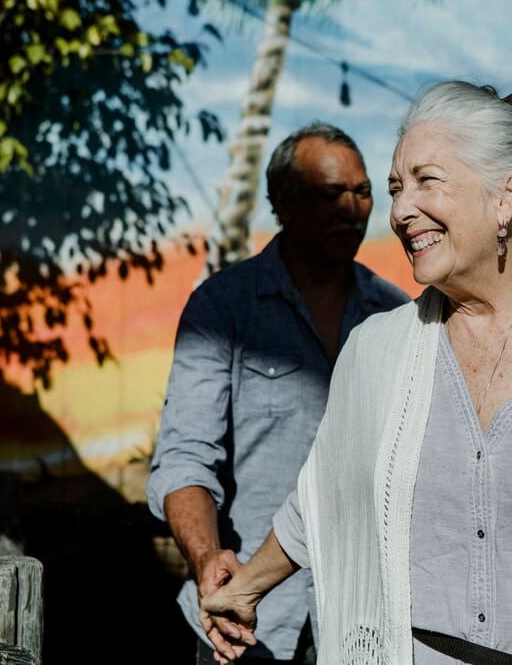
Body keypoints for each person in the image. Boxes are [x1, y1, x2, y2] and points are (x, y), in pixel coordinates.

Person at [198, 82, 512, 665]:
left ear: (505, 198)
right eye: (396, 188)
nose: (399, 212)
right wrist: (242, 590)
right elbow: (320, 501)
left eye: (427, 181)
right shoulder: (376, 352)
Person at [146, 122, 410, 664]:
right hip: (249, 620)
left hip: (370, 617)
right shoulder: (222, 310)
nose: (351, 208)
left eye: (362, 192)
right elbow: (183, 459)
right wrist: (205, 558)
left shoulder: (397, 316)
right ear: (282, 202)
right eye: (329, 193)